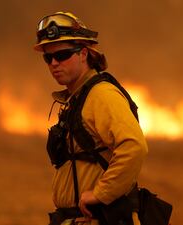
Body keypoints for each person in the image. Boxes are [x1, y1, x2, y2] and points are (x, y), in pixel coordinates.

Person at [34, 11, 148, 225]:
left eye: (63, 55)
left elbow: (134, 147)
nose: (54, 63)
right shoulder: (79, 97)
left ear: (84, 54)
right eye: (48, 57)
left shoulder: (101, 95)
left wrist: (100, 194)